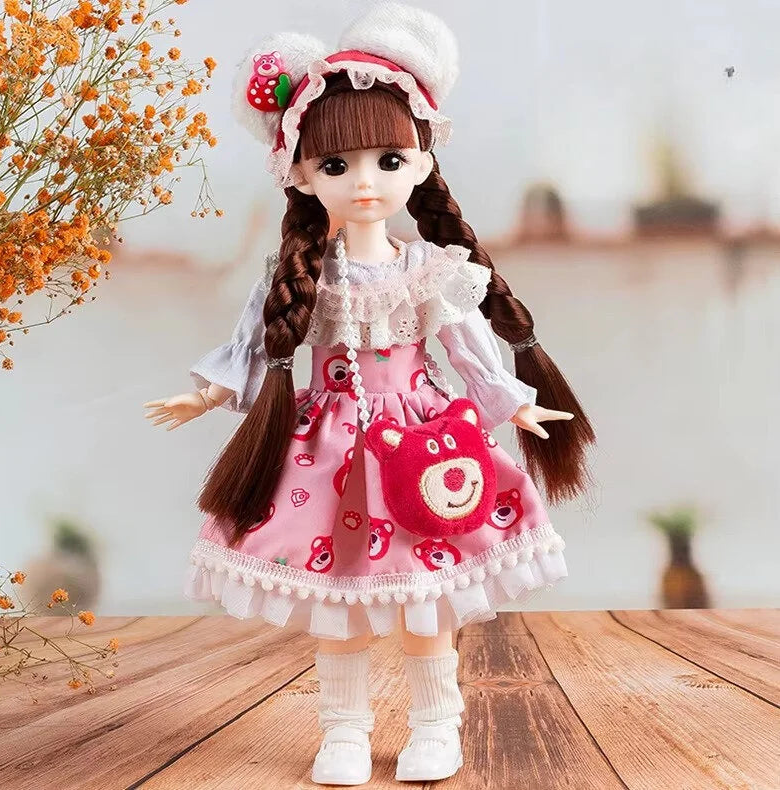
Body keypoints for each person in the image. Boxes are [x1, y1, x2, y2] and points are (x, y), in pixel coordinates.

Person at [144, 3, 594, 785]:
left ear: (420, 163)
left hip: (423, 445)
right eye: (336, 166)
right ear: (300, 174)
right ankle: (344, 732)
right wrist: (207, 395)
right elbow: (255, 342)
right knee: (341, 611)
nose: (363, 182)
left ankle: (436, 725)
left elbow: (468, 347)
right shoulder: (300, 276)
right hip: (328, 454)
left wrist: (512, 402)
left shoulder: (429, 269)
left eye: (388, 160)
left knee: (429, 603)